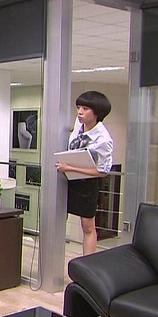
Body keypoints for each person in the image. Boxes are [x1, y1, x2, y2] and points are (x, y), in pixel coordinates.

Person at [56, 91, 113, 256]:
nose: (80, 112)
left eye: (85, 109)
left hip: (86, 184)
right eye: (78, 107)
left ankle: (87, 263)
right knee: (58, 219)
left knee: (87, 226)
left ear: (97, 112)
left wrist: (71, 168)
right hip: (66, 178)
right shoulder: (78, 124)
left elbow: (103, 171)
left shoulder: (103, 139)